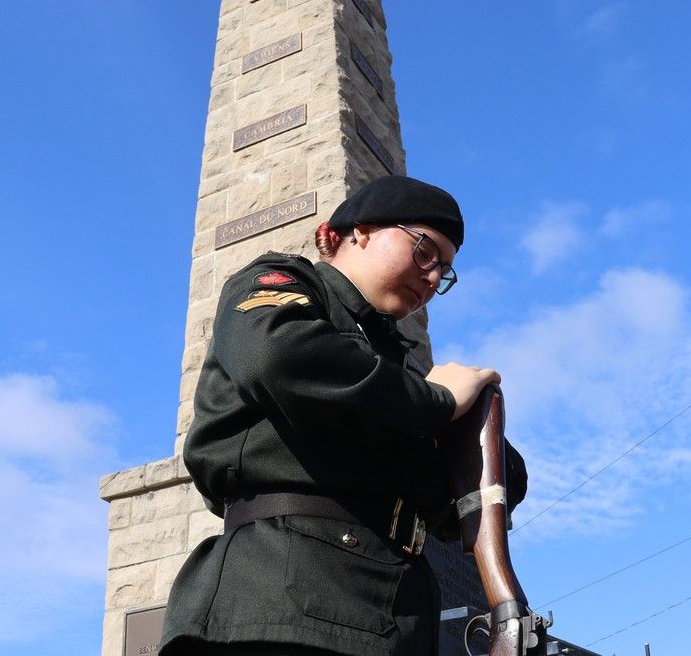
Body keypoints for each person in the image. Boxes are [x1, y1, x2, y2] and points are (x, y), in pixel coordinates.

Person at [160, 175, 527, 656]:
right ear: (359, 231)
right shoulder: (287, 285)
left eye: (445, 270)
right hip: (283, 604)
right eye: (423, 250)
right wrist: (436, 402)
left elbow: (468, 488)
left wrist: (477, 431)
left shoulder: (397, 366)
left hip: (396, 617)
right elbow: (278, 359)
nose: (434, 278)